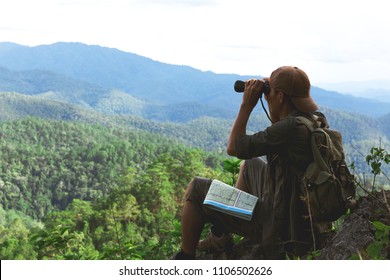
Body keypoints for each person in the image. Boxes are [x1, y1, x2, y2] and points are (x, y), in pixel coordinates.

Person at [171, 66, 323, 260]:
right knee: (250, 164)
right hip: (298, 212)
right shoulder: (310, 119)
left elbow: (233, 147)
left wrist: (247, 105)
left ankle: (185, 259)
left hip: (281, 225)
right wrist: (273, 96)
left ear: (281, 97)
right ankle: (220, 233)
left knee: (197, 188)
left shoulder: (290, 128)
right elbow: (278, 125)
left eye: (273, 92)